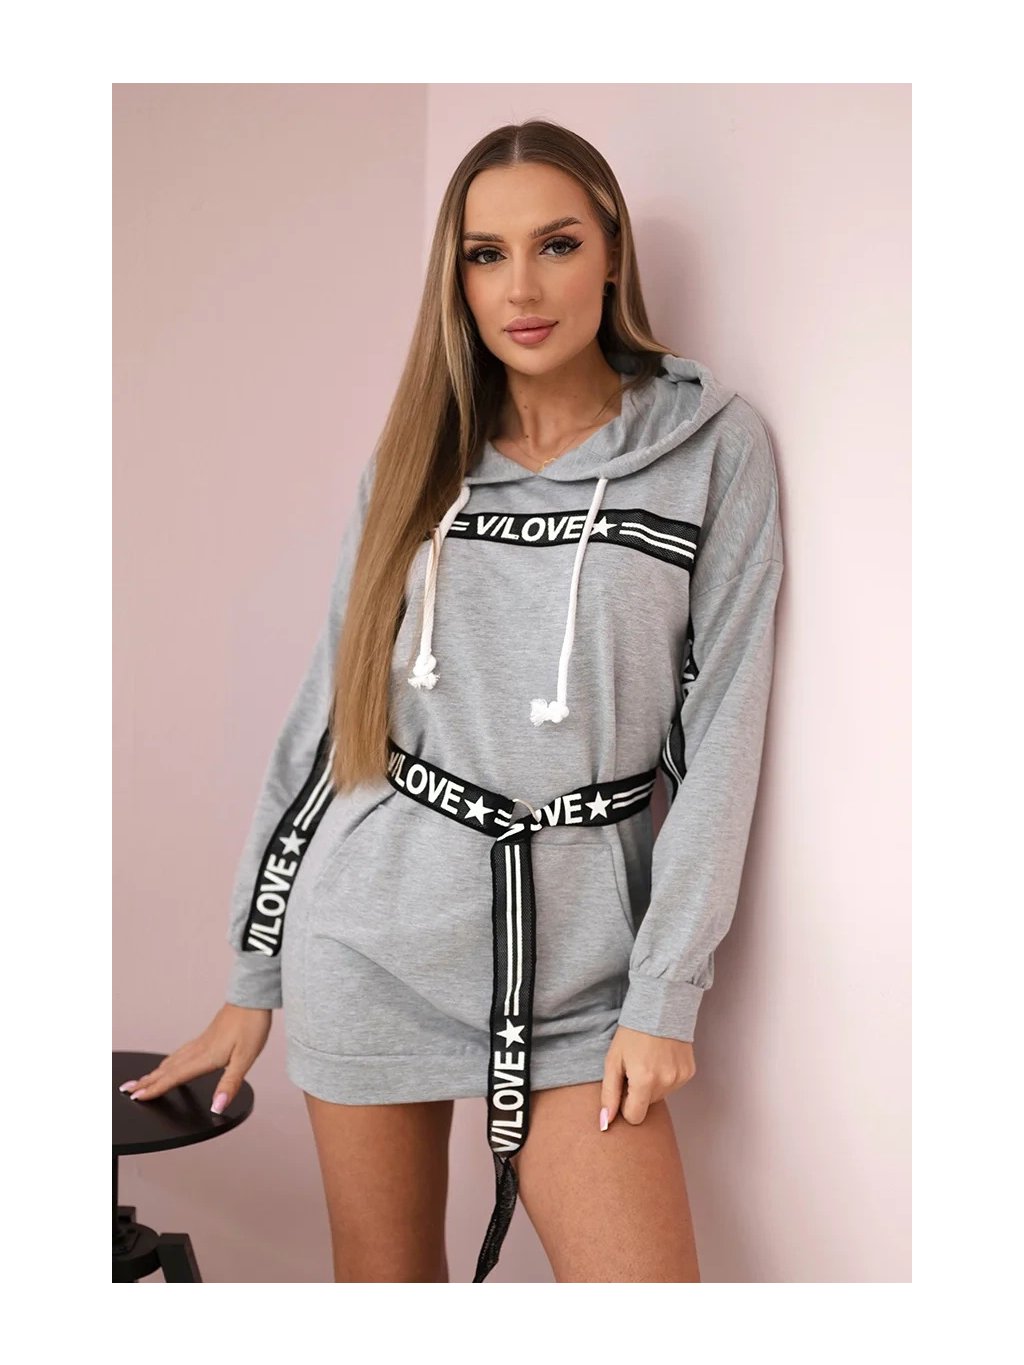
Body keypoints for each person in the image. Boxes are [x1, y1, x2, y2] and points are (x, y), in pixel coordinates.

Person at [120, 118, 784, 1284]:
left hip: (582, 970)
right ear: (457, 277)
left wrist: (664, 994)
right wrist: (251, 977)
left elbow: (722, 740)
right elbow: (330, 723)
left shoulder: (711, 450)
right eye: (485, 255)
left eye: (556, 245)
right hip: (370, 942)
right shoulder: (416, 460)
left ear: (611, 254)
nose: (520, 288)